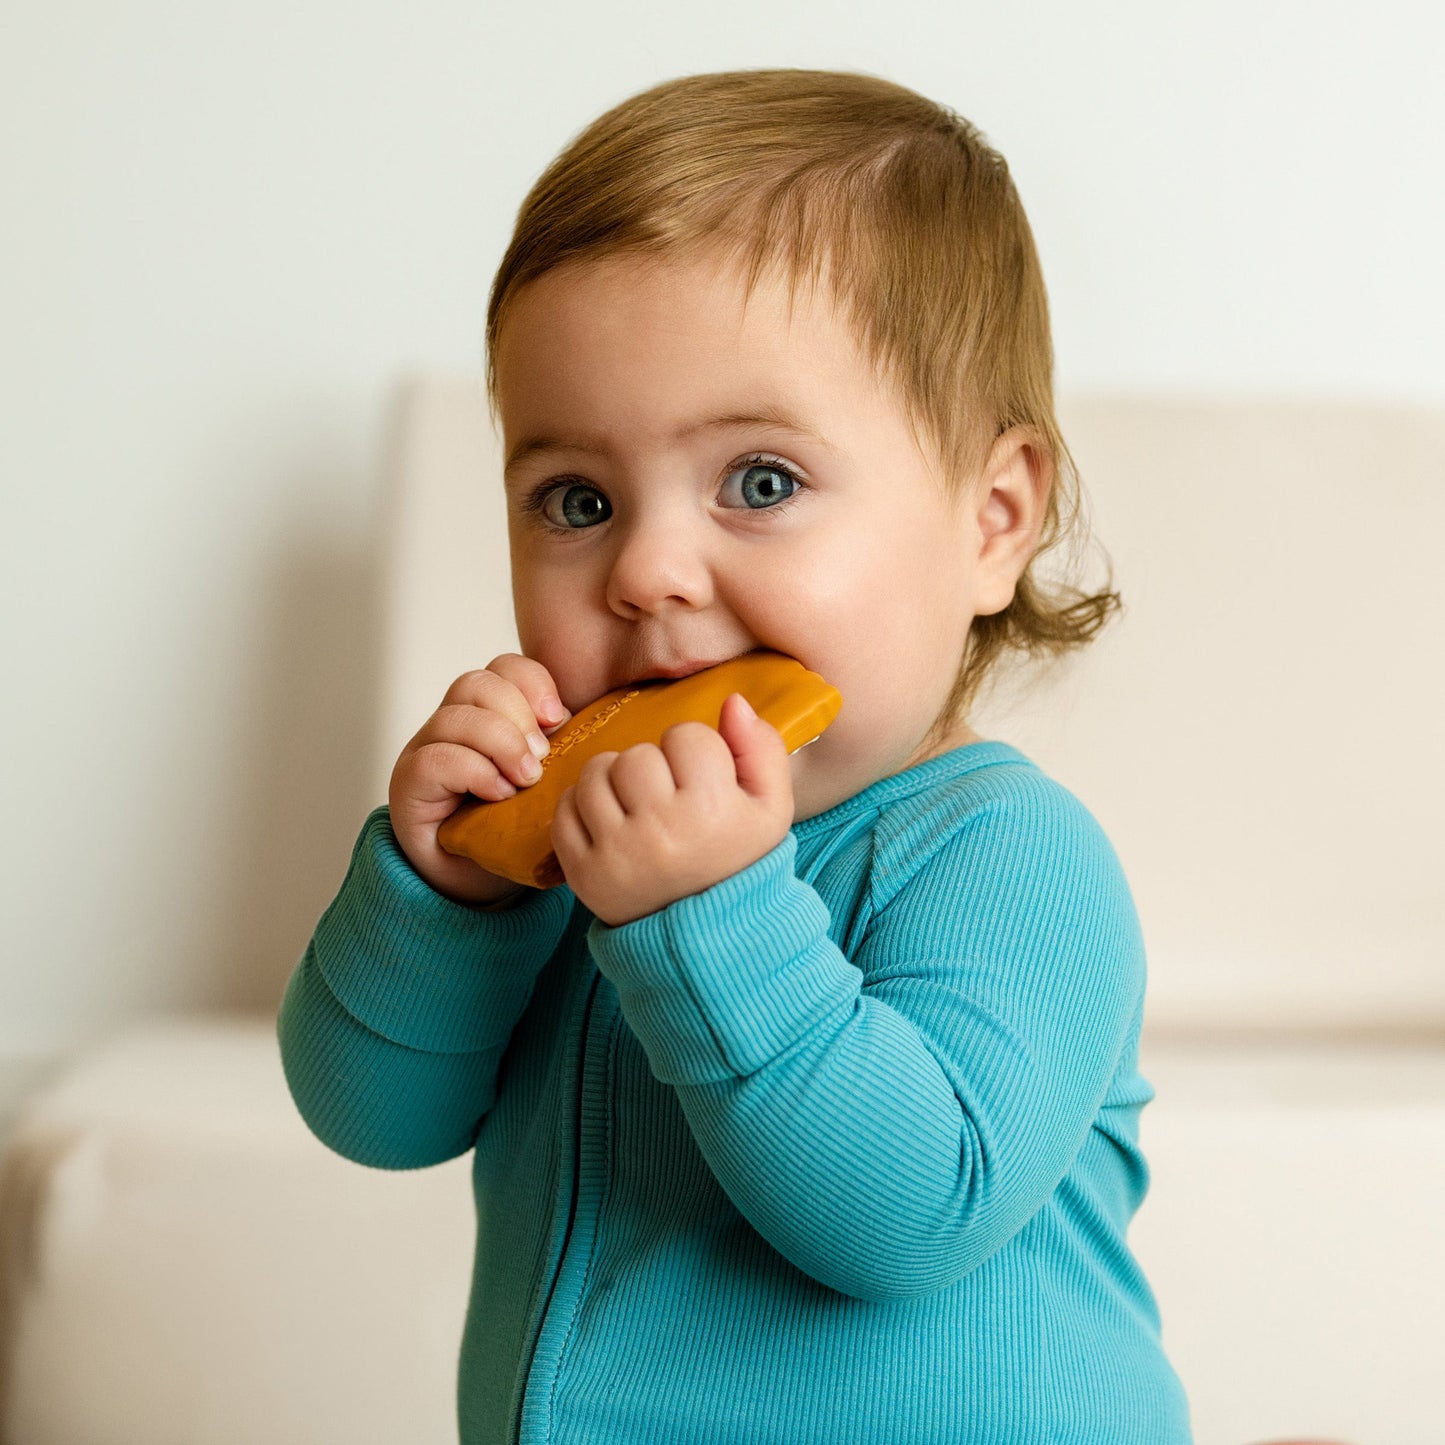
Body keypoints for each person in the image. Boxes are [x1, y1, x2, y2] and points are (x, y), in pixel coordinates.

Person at [277, 67, 1193, 1444]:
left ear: (992, 520)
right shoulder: (572, 843)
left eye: (758, 483)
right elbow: (372, 1113)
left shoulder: (1009, 858)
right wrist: (438, 897)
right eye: (575, 499)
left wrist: (704, 912)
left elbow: (908, 1211)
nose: (645, 569)